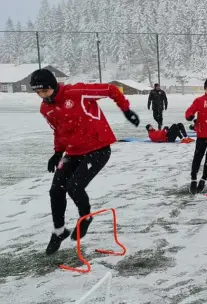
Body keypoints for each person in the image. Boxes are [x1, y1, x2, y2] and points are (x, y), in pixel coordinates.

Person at [31, 69, 140, 255]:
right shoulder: (45, 108)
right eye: (38, 93)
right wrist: (57, 153)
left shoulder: (77, 92)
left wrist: (126, 109)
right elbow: (59, 131)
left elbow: (111, 90)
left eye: (45, 91)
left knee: (74, 187)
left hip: (98, 148)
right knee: (56, 190)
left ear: (54, 86)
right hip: (73, 151)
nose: (43, 96)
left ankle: (85, 218)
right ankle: (59, 231)